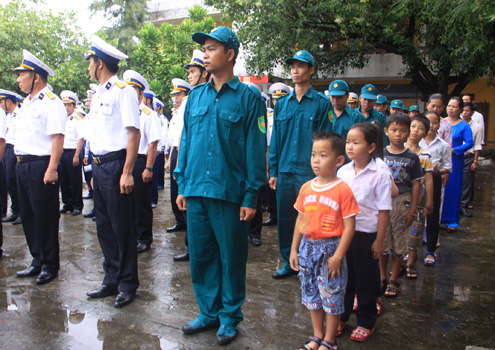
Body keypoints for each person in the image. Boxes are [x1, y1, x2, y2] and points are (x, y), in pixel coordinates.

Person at [174, 26, 266, 345]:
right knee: (200, 256)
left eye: (212, 48)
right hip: (197, 189)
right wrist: (182, 183)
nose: (205, 54)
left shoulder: (249, 97)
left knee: (232, 258)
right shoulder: (196, 95)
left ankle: (229, 316)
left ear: (230, 55)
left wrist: (251, 195)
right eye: (204, 48)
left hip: (230, 192)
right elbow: (186, 141)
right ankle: (208, 312)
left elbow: (255, 148)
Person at [84, 36, 140, 308]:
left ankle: (128, 283)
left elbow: (133, 134)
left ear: (100, 63)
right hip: (98, 165)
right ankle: (111, 278)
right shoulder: (98, 95)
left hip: (117, 165)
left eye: (90, 62)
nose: (89, 67)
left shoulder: (122, 91)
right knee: (104, 226)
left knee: (122, 228)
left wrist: (127, 172)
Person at [290, 132, 360, 350]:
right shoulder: (306, 187)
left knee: (332, 293)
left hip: (330, 249)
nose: (316, 160)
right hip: (307, 248)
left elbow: (350, 226)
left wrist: (338, 256)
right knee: (311, 292)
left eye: (322, 155)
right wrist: (293, 250)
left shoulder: (342, 189)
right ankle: (317, 335)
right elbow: (301, 219)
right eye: (313, 155)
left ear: (339, 160)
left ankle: (329, 340)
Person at [268, 50, 332, 279]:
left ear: (311, 70)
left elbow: (327, 142)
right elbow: (275, 140)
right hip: (285, 171)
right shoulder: (282, 104)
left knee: (312, 217)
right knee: (286, 218)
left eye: (301, 66)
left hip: (310, 172)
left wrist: (324, 173)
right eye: (292, 66)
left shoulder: (322, 104)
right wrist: (273, 170)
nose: (295, 70)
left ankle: (311, 263)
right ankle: (289, 260)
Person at [13, 49, 66, 284]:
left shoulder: (51, 102)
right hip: (22, 164)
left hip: (41, 165)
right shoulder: (26, 102)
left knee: (45, 215)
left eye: (21, 74)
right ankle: (37, 258)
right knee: (27, 214)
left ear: (35, 76)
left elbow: (57, 137)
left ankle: (50, 264)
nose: (18, 79)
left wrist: (52, 167)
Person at [337, 123, 392, 342]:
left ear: (370, 147)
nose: (349, 147)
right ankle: (341, 316)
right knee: (344, 279)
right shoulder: (343, 172)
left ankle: (366, 320)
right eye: (348, 141)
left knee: (366, 280)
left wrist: (379, 241)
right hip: (344, 234)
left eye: (355, 142)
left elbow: (384, 210)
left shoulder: (380, 174)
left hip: (367, 235)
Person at [173, 50, 210, 262]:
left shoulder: (205, 98)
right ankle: (191, 248)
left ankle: (196, 249)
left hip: (203, 164)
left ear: (204, 73)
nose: (189, 75)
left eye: (193, 71)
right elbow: (184, 137)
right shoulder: (190, 100)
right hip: (189, 161)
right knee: (190, 209)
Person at [381, 112, 423, 297]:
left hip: (402, 202)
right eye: (394, 130)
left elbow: (416, 184)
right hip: (382, 202)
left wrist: (412, 211)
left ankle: (393, 279)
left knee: (399, 241)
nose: (398, 134)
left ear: (408, 134)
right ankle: (382, 277)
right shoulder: (380, 154)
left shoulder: (412, 157)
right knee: (382, 241)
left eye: (403, 131)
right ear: (386, 131)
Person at [123, 70, 161, 254]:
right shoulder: (122, 110)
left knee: (141, 203)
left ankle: (144, 238)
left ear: (140, 93)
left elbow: (153, 142)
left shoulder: (148, 114)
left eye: (133, 90)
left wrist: (148, 167)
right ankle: (131, 235)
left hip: (140, 160)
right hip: (123, 159)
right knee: (126, 202)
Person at [419, 111, 452, 266]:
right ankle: (408, 250)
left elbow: (448, 166)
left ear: (440, 125)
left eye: (435, 123)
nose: (431, 126)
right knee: (413, 215)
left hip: (434, 181)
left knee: (432, 215)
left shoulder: (443, 145)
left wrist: (439, 171)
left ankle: (430, 251)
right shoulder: (414, 142)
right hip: (416, 182)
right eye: (428, 122)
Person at [404, 116, 434, 279]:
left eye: (420, 128)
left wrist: (429, 202)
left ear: (425, 133)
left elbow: (428, 179)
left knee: (415, 232)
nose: (415, 130)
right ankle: (399, 260)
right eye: (413, 126)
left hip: (419, 200)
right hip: (400, 200)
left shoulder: (425, 155)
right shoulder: (397, 151)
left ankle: (411, 262)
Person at [441, 97, 473, 232]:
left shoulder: (464, 125)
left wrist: (455, 150)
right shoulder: (441, 122)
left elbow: (470, 143)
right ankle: (438, 217)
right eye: (449, 105)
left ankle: (451, 220)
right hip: (440, 158)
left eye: (454, 106)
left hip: (455, 160)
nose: (450, 108)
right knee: (439, 188)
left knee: (452, 189)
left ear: (460, 109)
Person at [166, 78, 191, 233]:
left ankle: (186, 221)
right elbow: (173, 139)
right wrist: (170, 159)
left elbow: (183, 137)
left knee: (182, 188)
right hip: (175, 151)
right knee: (174, 190)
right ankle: (179, 220)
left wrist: (178, 162)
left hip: (182, 152)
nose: (175, 98)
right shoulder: (176, 112)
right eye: (174, 95)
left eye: (178, 94)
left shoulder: (187, 108)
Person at [59, 90, 85, 216]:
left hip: (73, 152)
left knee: (75, 180)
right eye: (64, 105)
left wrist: (76, 155)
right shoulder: (61, 119)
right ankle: (67, 203)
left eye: (69, 105)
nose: (66, 107)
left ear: (74, 106)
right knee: (64, 180)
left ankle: (77, 205)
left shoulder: (77, 119)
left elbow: (81, 138)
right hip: (62, 153)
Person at [0, 89, 22, 225]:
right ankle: (15, 210)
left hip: (15, 149)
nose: (1, 104)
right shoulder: (8, 116)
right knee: (9, 181)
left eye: (2, 101)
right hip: (7, 149)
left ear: (8, 101)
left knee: (15, 181)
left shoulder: (20, 114)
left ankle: (21, 211)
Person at [460, 102, 482, 217]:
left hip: (469, 157)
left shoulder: (477, 127)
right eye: (463, 110)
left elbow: (477, 145)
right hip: (456, 155)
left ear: (472, 112)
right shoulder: (454, 124)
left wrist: (475, 161)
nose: (464, 113)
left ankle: (463, 206)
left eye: (467, 110)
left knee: (467, 183)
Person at [328, 80, 365, 145]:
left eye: (339, 97)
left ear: (347, 96)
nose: (335, 100)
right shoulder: (325, 114)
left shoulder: (357, 117)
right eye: (333, 97)